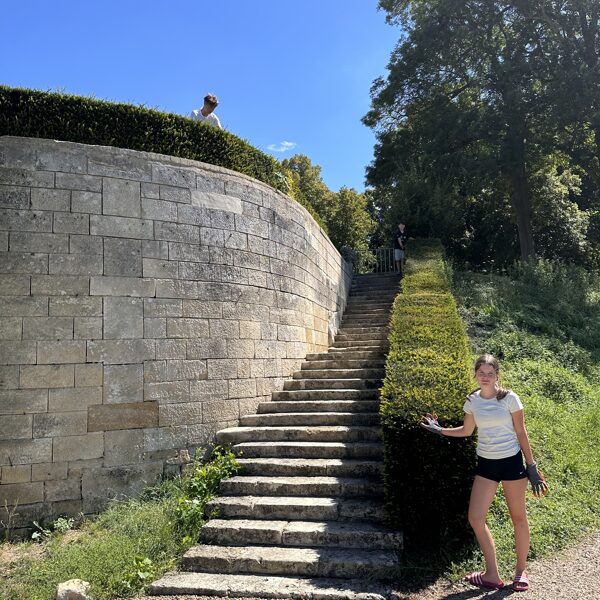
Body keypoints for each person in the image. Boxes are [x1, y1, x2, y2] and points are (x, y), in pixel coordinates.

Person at [421, 354, 548, 593]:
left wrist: (531, 467)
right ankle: (492, 574)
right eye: (481, 373)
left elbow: (521, 432)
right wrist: (440, 430)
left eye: (490, 373)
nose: (486, 377)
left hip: (511, 463)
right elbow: (467, 430)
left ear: (497, 375)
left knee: (518, 518)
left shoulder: (510, 398)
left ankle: (521, 571)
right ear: (476, 374)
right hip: (486, 465)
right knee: (476, 517)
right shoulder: (473, 401)